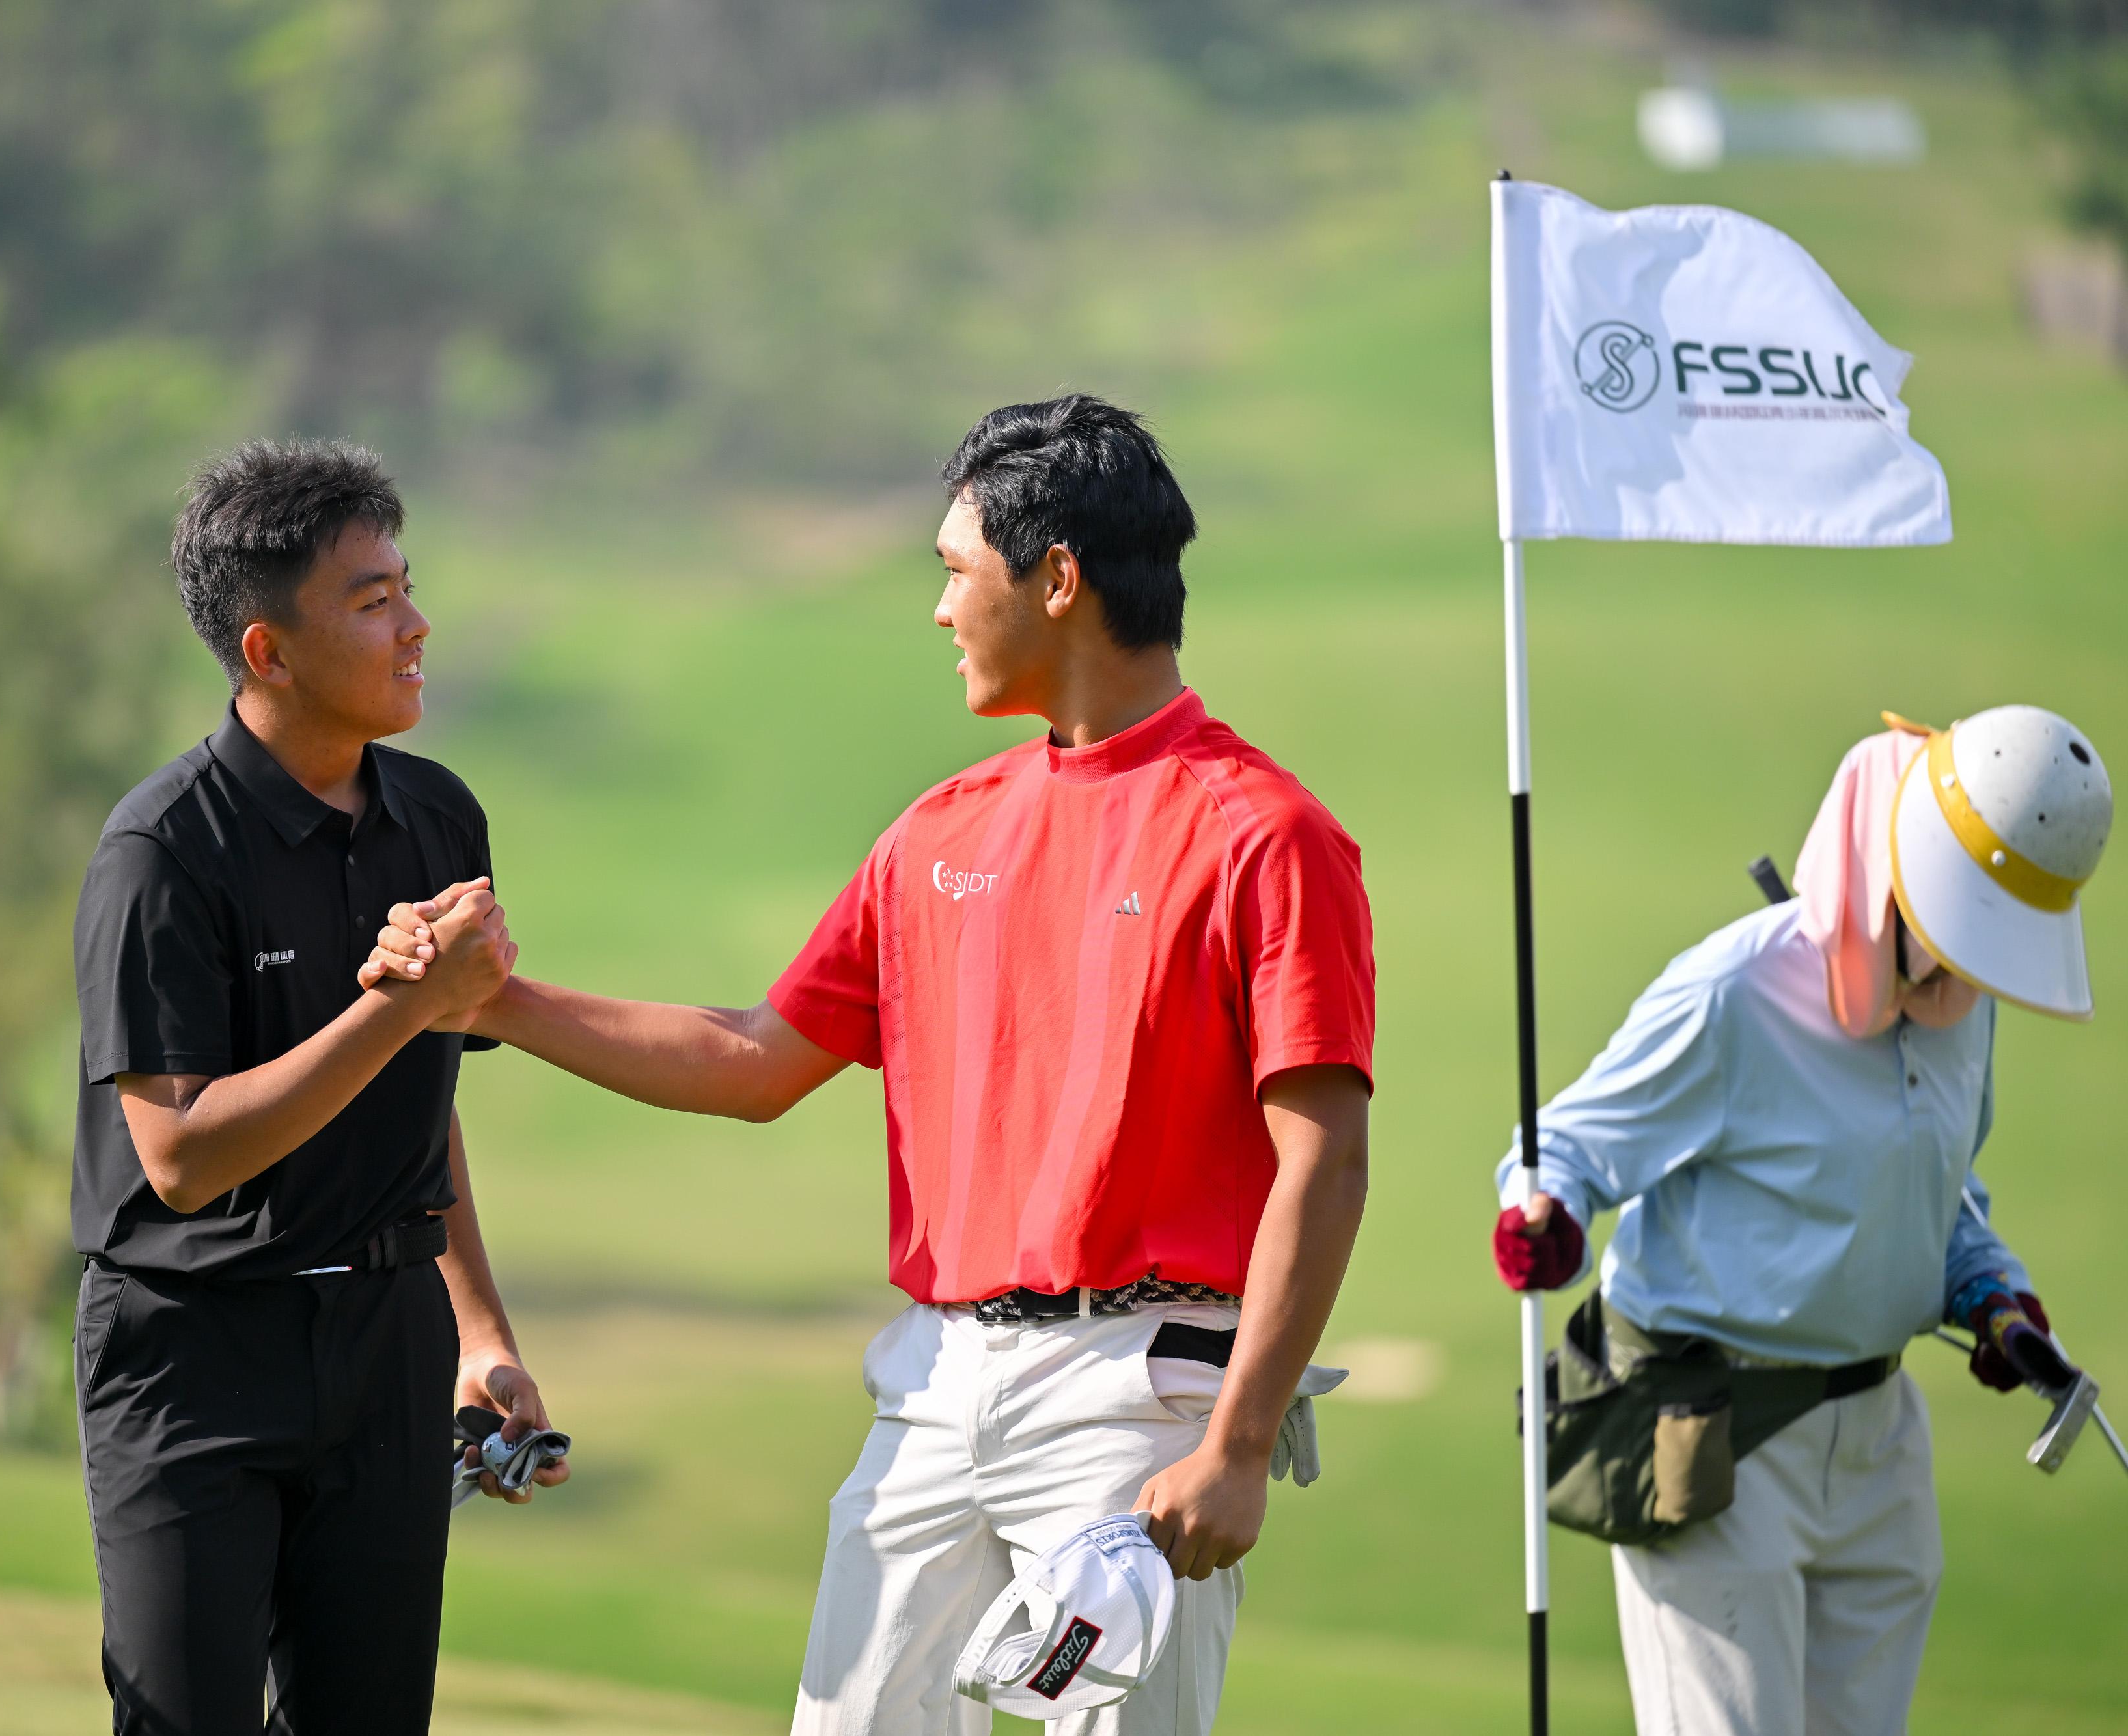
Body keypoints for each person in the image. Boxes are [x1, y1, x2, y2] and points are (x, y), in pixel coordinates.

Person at [364, 395, 1377, 1733]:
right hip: (934, 1382)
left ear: (1057, 578)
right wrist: (492, 1002)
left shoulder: (1263, 834)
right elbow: (755, 1057)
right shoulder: (937, 832)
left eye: (956, 569)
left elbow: (1324, 1151)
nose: (940, 607)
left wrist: (1239, 1444)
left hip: (1139, 1396)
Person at [69, 438, 563, 1736]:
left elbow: (420, 1104)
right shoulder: (159, 852)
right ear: (265, 649)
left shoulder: (438, 819)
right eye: (370, 600)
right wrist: (395, 1002)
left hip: (388, 1343)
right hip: (192, 1350)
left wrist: (481, 1331)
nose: (413, 626)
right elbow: (179, 1153)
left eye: (404, 586)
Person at [1493, 707, 2112, 1736]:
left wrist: (1989, 1288)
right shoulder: (1730, 994)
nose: (1967, 973)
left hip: (1880, 1446)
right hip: (1715, 1436)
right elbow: (1560, 1150)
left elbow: (1942, 1186)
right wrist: (1544, 1215)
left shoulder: (1966, 1005)